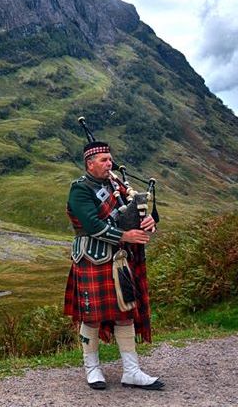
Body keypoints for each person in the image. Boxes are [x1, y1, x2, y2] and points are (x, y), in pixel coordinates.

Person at [63, 140, 164, 390]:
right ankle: (92, 368)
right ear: (90, 164)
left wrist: (148, 220)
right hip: (91, 258)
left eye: (110, 159)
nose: (110, 164)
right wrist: (125, 236)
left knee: (125, 311)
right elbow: (92, 225)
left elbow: (132, 212)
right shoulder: (80, 189)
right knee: (92, 316)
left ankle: (131, 371)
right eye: (104, 160)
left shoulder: (116, 184)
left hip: (119, 258)